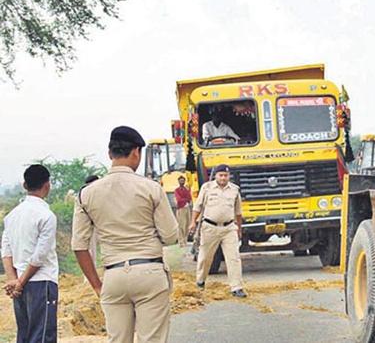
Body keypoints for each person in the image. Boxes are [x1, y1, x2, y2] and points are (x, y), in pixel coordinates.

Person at [71, 126, 179, 343]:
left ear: (110, 154)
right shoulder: (150, 188)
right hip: (149, 272)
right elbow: (170, 236)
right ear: (136, 152)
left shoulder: (86, 194)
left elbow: (79, 246)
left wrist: (96, 284)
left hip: (114, 275)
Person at [1, 165, 58, 343]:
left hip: (21, 284)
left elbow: (6, 248)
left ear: (24, 185)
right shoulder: (46, 216)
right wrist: (20, 282)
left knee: (24, 335)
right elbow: (39, 256)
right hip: (41, 282)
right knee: (42, 336)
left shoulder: (12, 216)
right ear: (47, 186)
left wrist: (13, 279)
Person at [188, 164, 246, 298]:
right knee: (205, 257)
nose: (223, 178)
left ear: (229, 176)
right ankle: (200, 281)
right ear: (216, 176)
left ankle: (236, 287)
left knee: (234, 258)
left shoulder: (234, 190)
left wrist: (239, 229)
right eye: (221, 175)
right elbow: (198, 207)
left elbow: (238, 212)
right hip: (210, 227)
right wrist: (192, 222)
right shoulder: (207, 188)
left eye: (226, 175)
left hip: (229, 228)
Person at [174, 176, 192, 248]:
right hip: (181, 209)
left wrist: (185, 200)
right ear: (178, 182)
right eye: (180, 181)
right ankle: (181, 242)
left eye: (183, 181)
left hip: (187, 208)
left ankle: (185, 241)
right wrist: (185, 200)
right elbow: (178, 200)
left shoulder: (186, 190)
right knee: (181, 225)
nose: (182, 182)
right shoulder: (177, 190)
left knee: (187, 225)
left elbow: (189, 198)